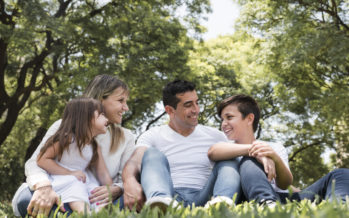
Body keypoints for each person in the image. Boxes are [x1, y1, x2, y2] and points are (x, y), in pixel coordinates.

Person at [12, 75, 135, 217]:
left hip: (94, 199)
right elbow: (35, 163)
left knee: (125, 202)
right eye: (121, 101)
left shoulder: (127, 137)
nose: (126, 108)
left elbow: (128, 179)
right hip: (58, 191)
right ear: (101, 100)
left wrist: (117, 189)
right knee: (28, 199)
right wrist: (44, 187)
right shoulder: (64, 126)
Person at [208, 94, 349, 205]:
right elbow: (213, 151)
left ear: (249, 118)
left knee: (341, 174)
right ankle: (266, 203)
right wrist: (256, 151)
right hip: (247, 197)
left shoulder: (274, 147)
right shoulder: (226, 146)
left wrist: (273, 157)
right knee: (249, 159)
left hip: (279, 197)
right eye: (222, 120)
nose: (223, 124)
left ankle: (338, 208)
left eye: (229, 117)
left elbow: (284, 184)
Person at [122, 80, 241, 211]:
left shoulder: (216, 136)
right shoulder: (152, 135)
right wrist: (129, 181)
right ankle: (161, 203)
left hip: (205, 195)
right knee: (151, 153)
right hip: (171, 195)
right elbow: (134, 161)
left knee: (229, 155)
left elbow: (238, 158)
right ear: (170, 110)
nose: (196, 110)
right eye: (188, 105)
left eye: (197, 103)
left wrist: (262, 153)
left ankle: (222, 203)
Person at [36, 97, 112, 213]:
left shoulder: (94, 146)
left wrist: (109, 189)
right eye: (101, 114)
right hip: (63, 178)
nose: (106, 119)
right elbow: (42, 160)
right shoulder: (67, 138)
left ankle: (100, 211)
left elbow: (102, 173)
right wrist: (69, 173)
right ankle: (85, 213)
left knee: (96, 191)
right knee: (76, 185)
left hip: (81, 178)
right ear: (86, 118)